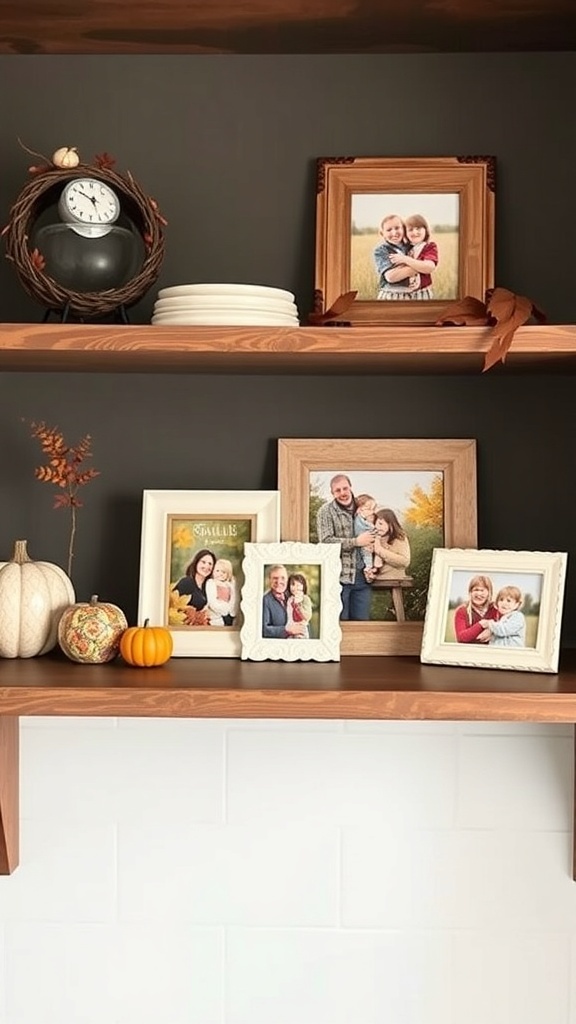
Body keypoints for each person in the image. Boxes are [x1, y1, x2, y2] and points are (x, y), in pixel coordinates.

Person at [316, 473, 374, 620]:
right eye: (338, 490)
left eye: (345, 488)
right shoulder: (326, 511)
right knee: (340, 625)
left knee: (362, 626)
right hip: (339, 578)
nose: (342, 493)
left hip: (362, 577)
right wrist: (356, 542)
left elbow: (379, 529)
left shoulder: (363, 507)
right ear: (332, 493)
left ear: (350, 487)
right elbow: (326, 542)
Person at [388, 214, 438, 300]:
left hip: (422, 293)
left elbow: (429, 267)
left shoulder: (429, 246)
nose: (415, 232)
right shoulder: (405, 247)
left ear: (425, 230)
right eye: (410, 230)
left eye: (418, 228)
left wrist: (404, 259)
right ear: (405, 233)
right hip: (403, 294)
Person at [373, 214, 418, 300]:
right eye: (389, 230)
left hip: (411, 294)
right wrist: (419, 266)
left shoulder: (410, 247)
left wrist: (403, 264)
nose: (394, 233)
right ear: (382, 233)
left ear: (404, 229)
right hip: (391, 294)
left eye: (397, 228)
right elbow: (391, 277)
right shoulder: (381, 250)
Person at [262, 564, 308, 639]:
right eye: (275, 578)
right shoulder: (265, 600)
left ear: (287, 580)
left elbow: (305, 620)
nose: (279, 581)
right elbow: (263, 630)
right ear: (269, 580)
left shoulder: (292, 596)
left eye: (283, 578)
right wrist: (286, 630)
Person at [172, 548, 216, 626]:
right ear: (196, 563)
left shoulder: (209, 586)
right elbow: (173, 607)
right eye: (203, 562)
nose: (207, 566)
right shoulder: (187, 582)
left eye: (210, 564)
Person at [453, 574, 499, 643]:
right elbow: (461, 638)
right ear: (470, 592)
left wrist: (492, 632)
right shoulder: (462, 611)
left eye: (482, 590)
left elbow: (508, 630)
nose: (479, 593)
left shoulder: (496, 610)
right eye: (476, 590)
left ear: (489, 593)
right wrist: (481, 624)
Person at [372, 508, 411, 580]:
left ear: (390, 524)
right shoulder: (373, 536)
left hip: (393, 578)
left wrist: (379, 550)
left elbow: (404, 562)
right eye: (375, 523)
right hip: (373, 578)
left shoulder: (399, 537)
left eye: (381, 524)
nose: (377, 527)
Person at [205, 557, 237, 627]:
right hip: (217, 615)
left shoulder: (230, 585)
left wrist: (231, 610)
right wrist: (224, 609)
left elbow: (234, 599)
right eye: (217, 571)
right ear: (213, 571)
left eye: (223, 572)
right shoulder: (211, 583)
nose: (220, 574)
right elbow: (212, 601)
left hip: (230, 614)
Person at [354, 493, 377, 581]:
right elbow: (364, 527)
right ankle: (368, 570)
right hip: (363, 542)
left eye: (373, 509)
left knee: (369, 555)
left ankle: (370, 570)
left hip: (366, 541)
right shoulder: (359, 519)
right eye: (369, 509)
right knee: (367, 555)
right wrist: (373, 528)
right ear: (360, 509)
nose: (372, 512)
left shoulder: (363, 518)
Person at [286, 571, 313, 639]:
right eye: (293, 584)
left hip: (301, 631)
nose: (295, 588)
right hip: (291, 631)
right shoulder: (289, 599)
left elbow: (307, 617)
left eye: (299, 585)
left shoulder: (305, 599)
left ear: (304, 586)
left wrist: (297, 605)